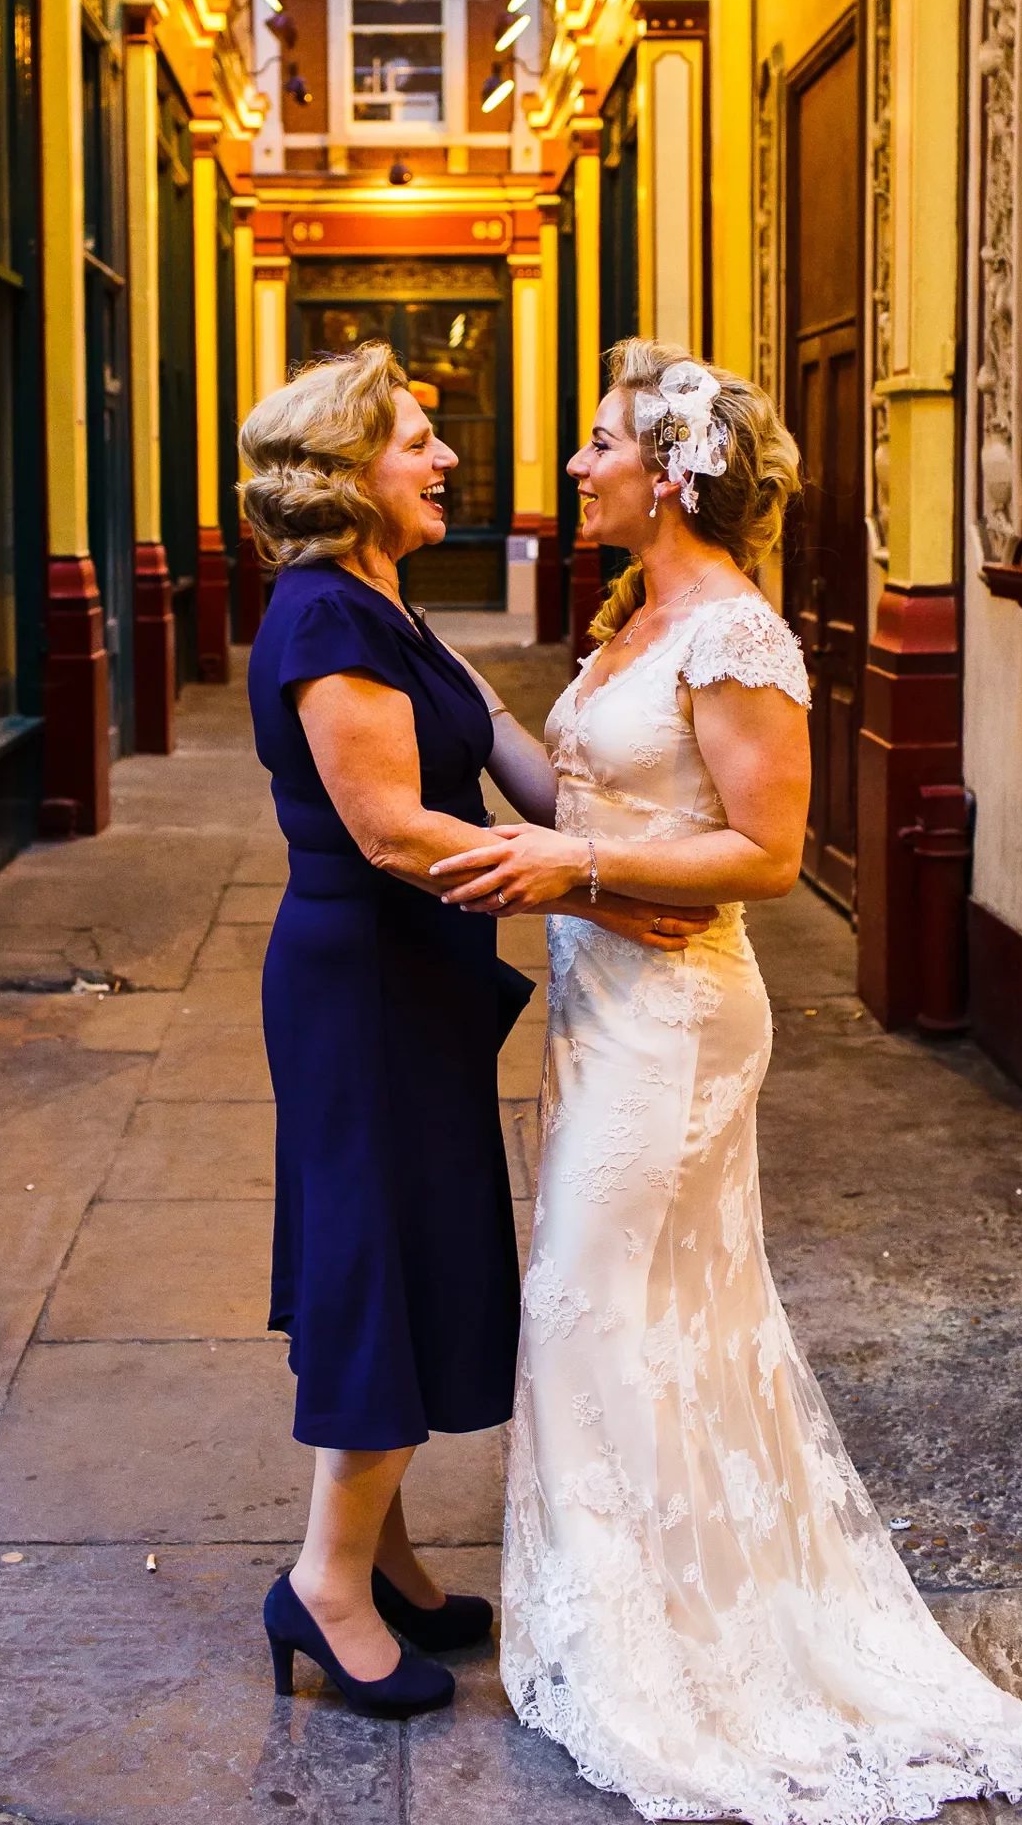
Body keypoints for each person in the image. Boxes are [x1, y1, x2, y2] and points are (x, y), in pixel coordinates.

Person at [432, 340, 1022, 1819]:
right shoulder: (636, 614)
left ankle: (664, 1656)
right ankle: (643, 1611)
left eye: (602, 444)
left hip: (677, 1020)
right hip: (603, 1002)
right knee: (648, 1311)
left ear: (669, 478)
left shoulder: (735, 634)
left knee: (592, 1301)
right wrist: (466, 704)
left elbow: (767, 854)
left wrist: (575, 868)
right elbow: (583, 794)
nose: (578, 465)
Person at [241, 342, 712, 1722]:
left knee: (402, 1245)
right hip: (365, 984)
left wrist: (613, 837)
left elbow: (499, 743)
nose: (447, 458)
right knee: (379, 1255)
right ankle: (325, 1585)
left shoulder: (381, 599)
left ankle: (383, 1562)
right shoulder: (326, 618)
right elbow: (392, 831)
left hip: (410, 976)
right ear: (347, 474)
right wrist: (598, 887)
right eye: (416, 441)